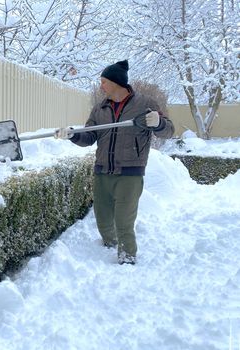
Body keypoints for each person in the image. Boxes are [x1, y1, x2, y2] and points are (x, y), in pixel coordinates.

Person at [55, 60, 174, 265]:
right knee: (102, 220)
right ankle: (110, 243)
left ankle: (127, 258)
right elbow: (89, 136)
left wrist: (159, 123)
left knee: (124, 221)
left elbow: (169, 131)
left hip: (130, 174)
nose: (101, 86)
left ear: (116, 82)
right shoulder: (99, 109)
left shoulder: (145, 104)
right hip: (102, 172)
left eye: (103, 82)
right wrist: (72, 136)